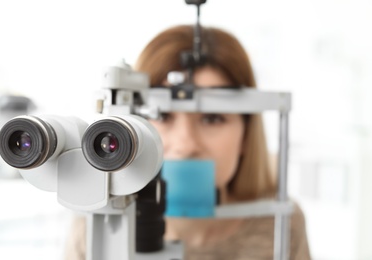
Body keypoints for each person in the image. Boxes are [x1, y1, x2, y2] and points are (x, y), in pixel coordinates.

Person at [64, 25, 311, 260]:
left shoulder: (280, 224)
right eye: (162, 116)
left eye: (212, 118)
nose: (186, 144)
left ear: (246, 135)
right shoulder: (99, 222)